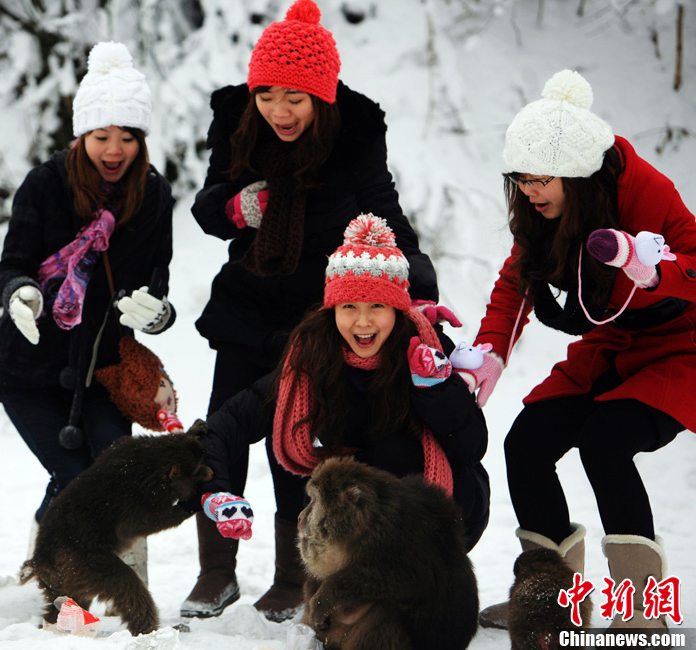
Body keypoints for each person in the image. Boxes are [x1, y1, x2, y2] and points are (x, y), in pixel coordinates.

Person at [186, 0, 439, 621]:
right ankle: (215, 571)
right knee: (223, 429)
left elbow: (384, 211)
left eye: (294, 99)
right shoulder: (238, 121)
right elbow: (207, 206)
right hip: (246, 303)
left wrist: (417, 284)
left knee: (292, 438)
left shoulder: (354, 136)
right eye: (267, 95)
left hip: (313, 316)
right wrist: (235, 208)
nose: (279, 111)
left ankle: (291, 575)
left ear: (321, 98)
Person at [462, 69, 693, 631]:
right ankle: (552, 603)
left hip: (681, 347)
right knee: (526, 443)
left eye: (540, 179)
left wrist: (649, 270)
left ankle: (643, 614)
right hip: (614, 342)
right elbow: (518, 280)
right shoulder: (541, 210)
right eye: (520, 178)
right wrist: (491, 351)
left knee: (605, 442)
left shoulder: (645, 189)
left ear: (577, 175)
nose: (529, 190)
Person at [195, 215, 490, 622]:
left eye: (377, 307)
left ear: (397, 308)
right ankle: (356, 593)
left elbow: (472, 447)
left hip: (444, 504)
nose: (363, 322)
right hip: (357, 506)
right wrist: (217, 491)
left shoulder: (424, 346)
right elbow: (228, 422)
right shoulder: (312, 356)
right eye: (349, 306)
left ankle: (410, 588)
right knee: (334, 476)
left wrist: (435, 389)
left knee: (391, 452)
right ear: (333, 308)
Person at [0, 42, 177, 579]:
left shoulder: (154, 196)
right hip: (30, 368)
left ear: (141, 140)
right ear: (82, 134)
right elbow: (12, 264)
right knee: (75, 477)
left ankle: (115, 577)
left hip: (103, 370)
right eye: (101, 136)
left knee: (119, 477)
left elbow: (158, 283)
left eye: (127, 137)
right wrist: (20, 291)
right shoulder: (45, 185)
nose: (114, 150)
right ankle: (56, 575)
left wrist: (156, 314)